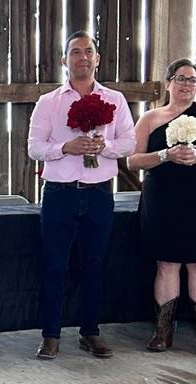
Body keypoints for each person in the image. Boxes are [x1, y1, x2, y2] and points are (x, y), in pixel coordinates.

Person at [27, 30, 136, 360]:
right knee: (54, 267)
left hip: (100, 194)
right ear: (65, 60)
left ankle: (90, 331)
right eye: (75, 52)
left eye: (88, 51)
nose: (82, 57)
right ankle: (51, 335)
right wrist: (66, 147)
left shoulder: (115, 100)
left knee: (94, 265)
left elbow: (129, 143)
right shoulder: (49, 102)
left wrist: (106, 146)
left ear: (97, 59)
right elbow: (34, 148)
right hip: (60, 195)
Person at [127, 59, 196, 355]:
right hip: (163, 199)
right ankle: (163, 332)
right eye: (180, 79)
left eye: (192, 80)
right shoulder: (150, 118)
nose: (186, 85)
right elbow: (132, 161)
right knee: (166, 264)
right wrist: (166, 155)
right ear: (168, 83)